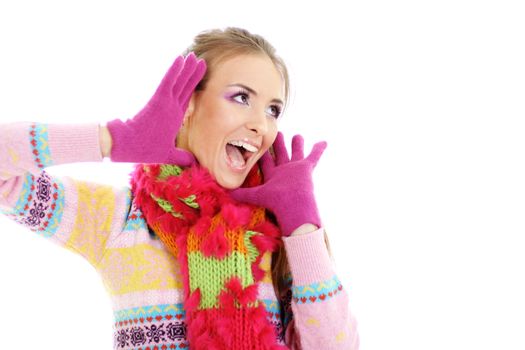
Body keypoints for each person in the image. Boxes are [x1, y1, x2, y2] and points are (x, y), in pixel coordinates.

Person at [0, 27, 359, 349]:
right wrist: (113, 140)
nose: (261, 125)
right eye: (241, 98)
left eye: (273, 109)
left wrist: (303, 222)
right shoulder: (121, 217)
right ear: (187, 104)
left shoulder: (276, 232)